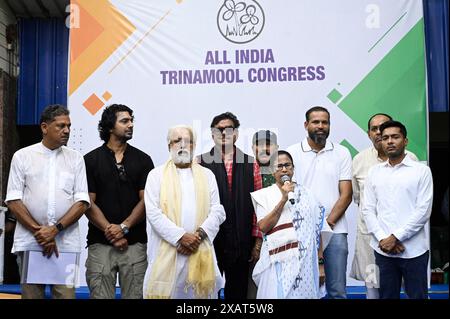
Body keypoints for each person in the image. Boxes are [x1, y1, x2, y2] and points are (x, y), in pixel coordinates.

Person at [5, 104, 90, 299]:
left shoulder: (76, 159)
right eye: (61, 126)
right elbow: (14, 200)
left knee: (66, 297)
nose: (67, 131)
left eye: (69, 126)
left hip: (65, 244)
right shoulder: (22, 156)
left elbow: (82, 202)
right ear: (44, 127)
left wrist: (54, 230)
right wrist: (40, 232)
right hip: (31, 243)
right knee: (32, 296)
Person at [143, 125, 226, 299]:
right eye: (177, 141)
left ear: (194, 146)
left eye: (187, 141)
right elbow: (153, 213)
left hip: (199, 251)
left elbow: (217, 211)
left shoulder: (207, 175)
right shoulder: (155, 175)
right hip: (167, 254)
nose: (182, 145)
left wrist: (198, 236)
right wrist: (181, 237)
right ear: (169, 146)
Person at [84, 104, 154, 299]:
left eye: (131, 121)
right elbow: (87, 203)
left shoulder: (143, 160)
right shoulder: (90, 160)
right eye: (124, 121)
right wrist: (111, 232)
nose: (130, 125)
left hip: (134, 246)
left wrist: (123, 227)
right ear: (109, 126)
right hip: (100, 245)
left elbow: (147, 200)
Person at [287, 106, 352, 299]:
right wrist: (312, 229)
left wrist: (324, 225)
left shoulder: (342, 152)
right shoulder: (292, 153)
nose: (321, 126)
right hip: (301, 233)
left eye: (325, 122)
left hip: (336, 231)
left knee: (337, 291)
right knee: (303, 290)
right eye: (316, 122)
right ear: (306, 125)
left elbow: (346, 195)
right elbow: (292, 195)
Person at [362, 120, 433, 299]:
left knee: (418, 296)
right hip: (383, 251)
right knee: (385, 297)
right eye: (385, 138)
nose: (390, 141)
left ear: (405, 141)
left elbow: (423, 211)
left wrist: (395, 238)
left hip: (414, 251)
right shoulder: (374, 172)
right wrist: (383, 239)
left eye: (395, 137)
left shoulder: (421, 171)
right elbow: (368, 210)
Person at [350, 113, 418, 299]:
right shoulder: (359, 160)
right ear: (368, 134)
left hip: (403, 238)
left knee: (405, 288)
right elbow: (359, 199)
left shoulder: (411, 159)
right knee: (373, 288)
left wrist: (396, 236)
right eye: (374, 129)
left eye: (384, 127)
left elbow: (415, 201)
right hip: (370, 239)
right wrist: (380, 234)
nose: (379, 132)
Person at [198, 112, 262, 299]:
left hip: (242, 242)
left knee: (239, 293)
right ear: (212, 134)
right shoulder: (200, 163)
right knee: (207, 293)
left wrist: (257, 242)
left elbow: (258, 207)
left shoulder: (251, 164)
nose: (224, 133)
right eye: (219, 129)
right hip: (209, 241)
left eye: (229, 129)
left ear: (236, 134)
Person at [251, 150, 331, 298]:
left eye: (287, 165)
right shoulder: (264, 195)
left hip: (306, 263)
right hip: (277, 263)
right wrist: (283, 199)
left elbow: (318, 231)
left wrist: (320, 265)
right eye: (279, 166)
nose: (284, 169)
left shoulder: (308, 195)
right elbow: (263, 227)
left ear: (293, 168)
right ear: (272, 171)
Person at [247, 129, 279, 298]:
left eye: (268, 144)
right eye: (259, 144)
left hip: (278, 241)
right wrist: (256, 243)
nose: (264, 148)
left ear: (276, 147)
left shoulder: (283, 174)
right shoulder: (245, 171)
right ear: (253, 148)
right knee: (251, 290)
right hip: (249, 241)